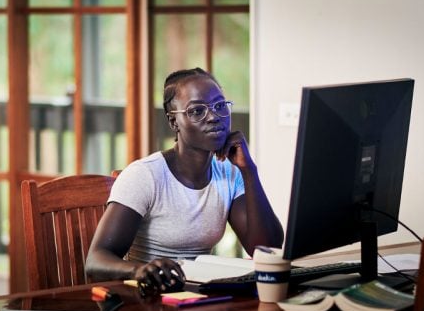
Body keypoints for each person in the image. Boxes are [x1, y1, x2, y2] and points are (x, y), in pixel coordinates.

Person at [85, 67, 284, 292]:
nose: (213, 117)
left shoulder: (230, 172)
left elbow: (268, 248)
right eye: (197, 111)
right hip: (149, 298)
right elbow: (95, 261)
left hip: (197, 295)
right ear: (173, 122)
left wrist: (249, 171)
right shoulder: (145, 176)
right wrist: (139, 270)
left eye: (220, 106)